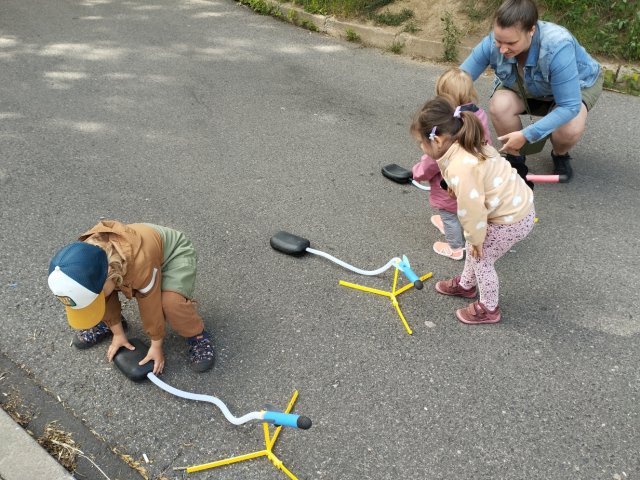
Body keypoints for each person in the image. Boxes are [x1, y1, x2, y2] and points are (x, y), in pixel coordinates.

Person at [411, 96, 535, 324]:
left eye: (421, 142)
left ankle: (489, 308)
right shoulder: (464, 141)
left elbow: (472, 210)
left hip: (510, 218)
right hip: (513, 207)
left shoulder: (461, 165)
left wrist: (476, 238)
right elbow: (477, 183)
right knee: (474, 248)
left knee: (481, 258)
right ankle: (466, 285)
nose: (421, 147)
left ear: (437, 139)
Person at [460, 0, 603, 183]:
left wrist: (527, 134)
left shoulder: (558, 45)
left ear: (531, 31)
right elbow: (460, 79)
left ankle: (560, 154)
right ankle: (514, 157)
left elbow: (569, 105)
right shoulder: (493, 42)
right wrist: (441, 112)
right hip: (527, 87)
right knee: (499, 106)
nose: (502, 49)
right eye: (498, 41)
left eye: (511, 43)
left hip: (575, 87)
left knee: (569, 128)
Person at [47, 220, 215, 373]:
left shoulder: (139, 265)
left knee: (170, 304)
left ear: (110, 276)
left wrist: (156, 345)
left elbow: (150, 304)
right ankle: (108, 324)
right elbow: (105, 296)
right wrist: (117, 333)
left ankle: (197, 335)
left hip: (173, 254)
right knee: (103, 294)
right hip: (128, 264)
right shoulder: (83, 265)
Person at [412, 67, 493, 260]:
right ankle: (468, 229)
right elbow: (487, 143)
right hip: (475, 177)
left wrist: (417, 173)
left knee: (449, 214)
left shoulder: (444, 130)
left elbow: (432, 162)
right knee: (467, 206)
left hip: (449, 185)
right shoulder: (477, 116)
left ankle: (455, 247)